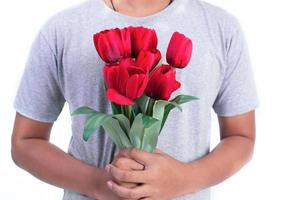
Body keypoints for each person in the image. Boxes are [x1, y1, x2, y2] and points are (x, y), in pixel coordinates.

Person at [11, 0, 259, 199]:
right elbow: (25, 142)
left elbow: (241, 137)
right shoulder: (62, 29)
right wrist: (100, 184)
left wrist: (185, 179)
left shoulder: (221, 28)